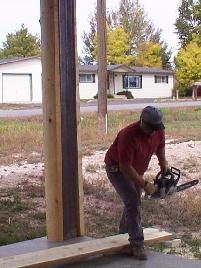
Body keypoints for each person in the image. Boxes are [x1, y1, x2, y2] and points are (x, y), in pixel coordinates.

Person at [104, 106, 169, 260]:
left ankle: (122, 235)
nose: (154, 131)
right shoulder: (128, 135)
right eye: (151, 128)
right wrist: (145, 185)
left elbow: (160, 146)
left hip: (136, 169)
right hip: (117, 170)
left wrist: (163, 163)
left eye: (156, 128)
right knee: (133, 201)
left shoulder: (157, 130)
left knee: (132, 203)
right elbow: (125, 167)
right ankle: (136, 244)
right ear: (142, 122)